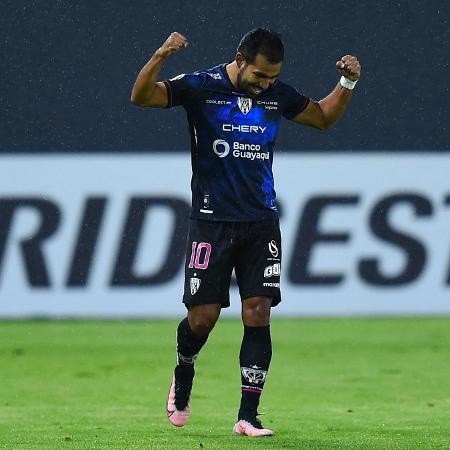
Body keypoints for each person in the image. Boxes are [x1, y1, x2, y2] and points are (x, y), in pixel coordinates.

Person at [131, 28, 361, 437]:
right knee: (202, 319)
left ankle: (248, 416)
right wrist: (161, 54)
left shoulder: (276, 94)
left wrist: (347, 82)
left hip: (261, 221)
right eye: (259, 75)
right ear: (239, 59)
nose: (265, 84)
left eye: (272, 77)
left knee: (258, 312)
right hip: (211, 222)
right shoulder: (202, 86)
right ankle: (184, 369)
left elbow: (324, 118)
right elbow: (142, 96)